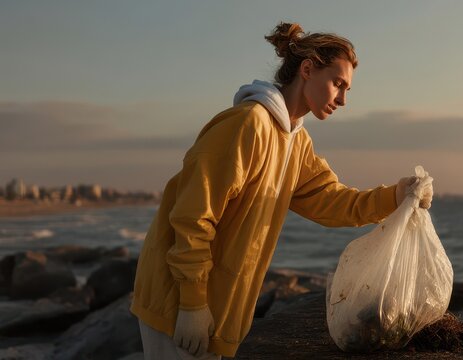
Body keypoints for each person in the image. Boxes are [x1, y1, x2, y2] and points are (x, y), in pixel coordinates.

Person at [130, 22, 433, 360]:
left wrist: (397, 195)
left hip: (216, 305)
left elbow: (331, 202)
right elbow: (192, 217)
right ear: (307, 69)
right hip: (178, 302)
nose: (343, 99)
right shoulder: (246, 124)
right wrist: (191, 304)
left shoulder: (295, 142)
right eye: (337, 84)